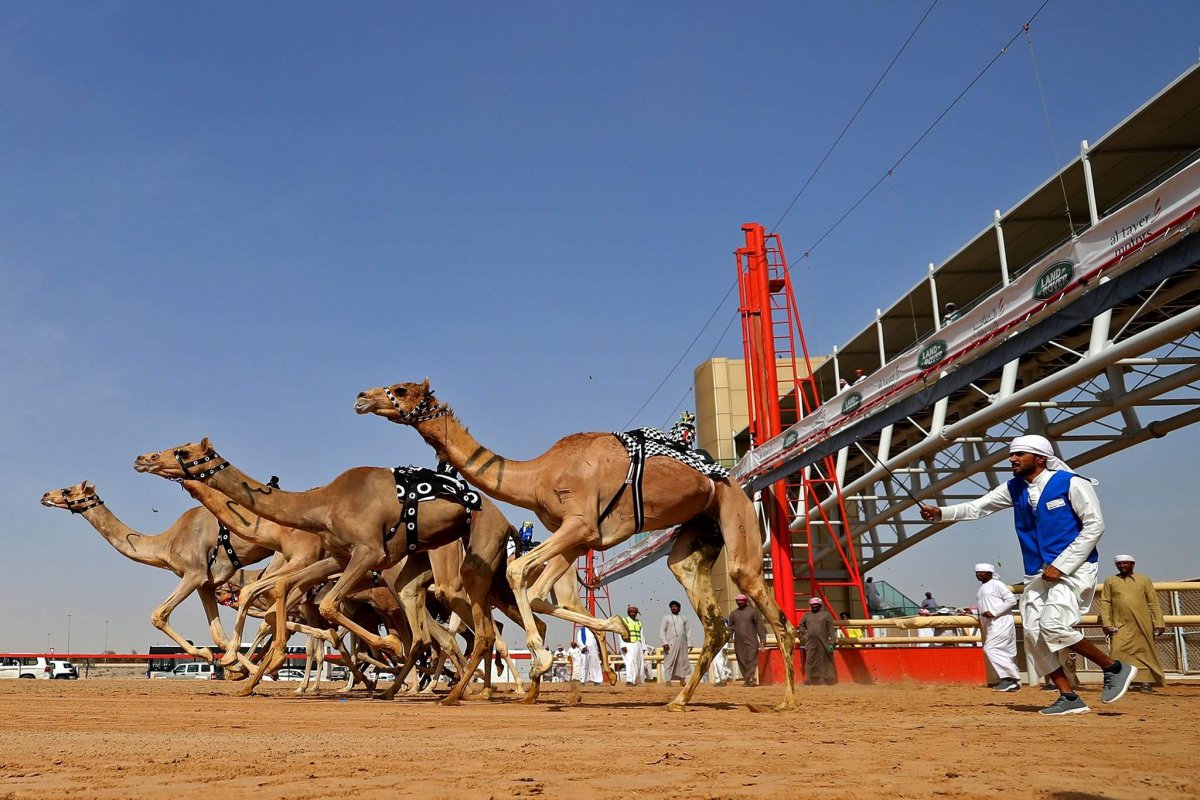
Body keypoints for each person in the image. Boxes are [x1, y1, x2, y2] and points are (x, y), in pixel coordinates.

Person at [919, 433, 1137, 715]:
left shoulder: (1071, 483)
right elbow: (977, 507)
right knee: (1034, 635)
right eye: (1012, 454)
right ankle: (1069, 697)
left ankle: (1114, 668)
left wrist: (1063, 565)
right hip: (1036, 572)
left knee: (1053, 625)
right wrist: (940, 512)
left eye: (1019, 454)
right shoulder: (1014, 488)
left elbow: (1095, 526)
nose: (1012, 459)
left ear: (1040, 458)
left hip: (1073, 569)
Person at [1099, 554, 1167, 689]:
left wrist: (1158, 622)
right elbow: (1105, 602)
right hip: (1120, 624)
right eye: (1119, 564)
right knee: (1118, 650)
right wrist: (1106, 623)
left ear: (1132, 564)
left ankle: (1146, 681)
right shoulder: (1111, 581)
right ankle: (1120, 681)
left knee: (1144, 652)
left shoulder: (1144, 580)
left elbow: (1153, 602)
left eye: (1125, 563)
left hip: (1142, 623)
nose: (1122, 566)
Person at [974, 563, 1020, 692]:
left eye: (981, 572)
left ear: (989, 573)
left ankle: (1009, 679)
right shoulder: (982, 589)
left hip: (1000, 622)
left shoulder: (997, 584)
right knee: (1003, 651)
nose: (978, 574)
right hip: (990, 625)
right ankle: (1011, 682)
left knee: (991, 648)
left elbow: (1011, 600)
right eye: (977, 572)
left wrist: (994, 612)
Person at [728, 593, 766, 686]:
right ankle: (748, 679)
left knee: (751, 659)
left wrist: (762, 638)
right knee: (741, 659)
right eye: (738, 601)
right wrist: (730, 634)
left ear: (746, 601)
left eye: (741, 601)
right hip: (739, 641)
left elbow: (759, 626)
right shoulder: (733, 614)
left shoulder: (752, 612)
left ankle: (750, 679)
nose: (739, 602)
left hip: (751, 640)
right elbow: (730, 627)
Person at [799, 597, 837, 685]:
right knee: (809, 659)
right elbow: (801, 625)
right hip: (810, 641)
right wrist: (801, 633)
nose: (814, 606)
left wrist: (833, 641)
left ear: (820, 605)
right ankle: (808, 679)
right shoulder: (806, 615)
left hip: (823, 641)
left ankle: (822, 678)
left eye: (816, 604)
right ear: (810, 605)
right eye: (813, 604)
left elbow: (831, 629)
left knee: (822, 659)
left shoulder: (826, 615)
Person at [659, 600, 692, 686]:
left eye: (675, 606)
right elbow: (662, 630)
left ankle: (682, 680)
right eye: (672, 607)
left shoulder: (684, 618)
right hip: (670, 644)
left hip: (682, 643)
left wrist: (690, 643)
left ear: (679, 608)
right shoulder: (666, 618)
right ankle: (668, 681)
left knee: (683, 661)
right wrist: (664, 642)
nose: (673, 608)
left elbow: (688, 631)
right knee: (669, 661)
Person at [620, 604, 646, 686]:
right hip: (628, 644)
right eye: (631, 612)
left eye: (635, 612)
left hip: (638, 644)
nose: (633, 614)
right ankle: (629, 680)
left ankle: (636, 681)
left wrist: (643, 646)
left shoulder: (639, 622)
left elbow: (642, 635)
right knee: (630, 662)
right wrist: (622, 645)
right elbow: (620, 633)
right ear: (628, 612)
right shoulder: (624, 621)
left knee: (638, 662)